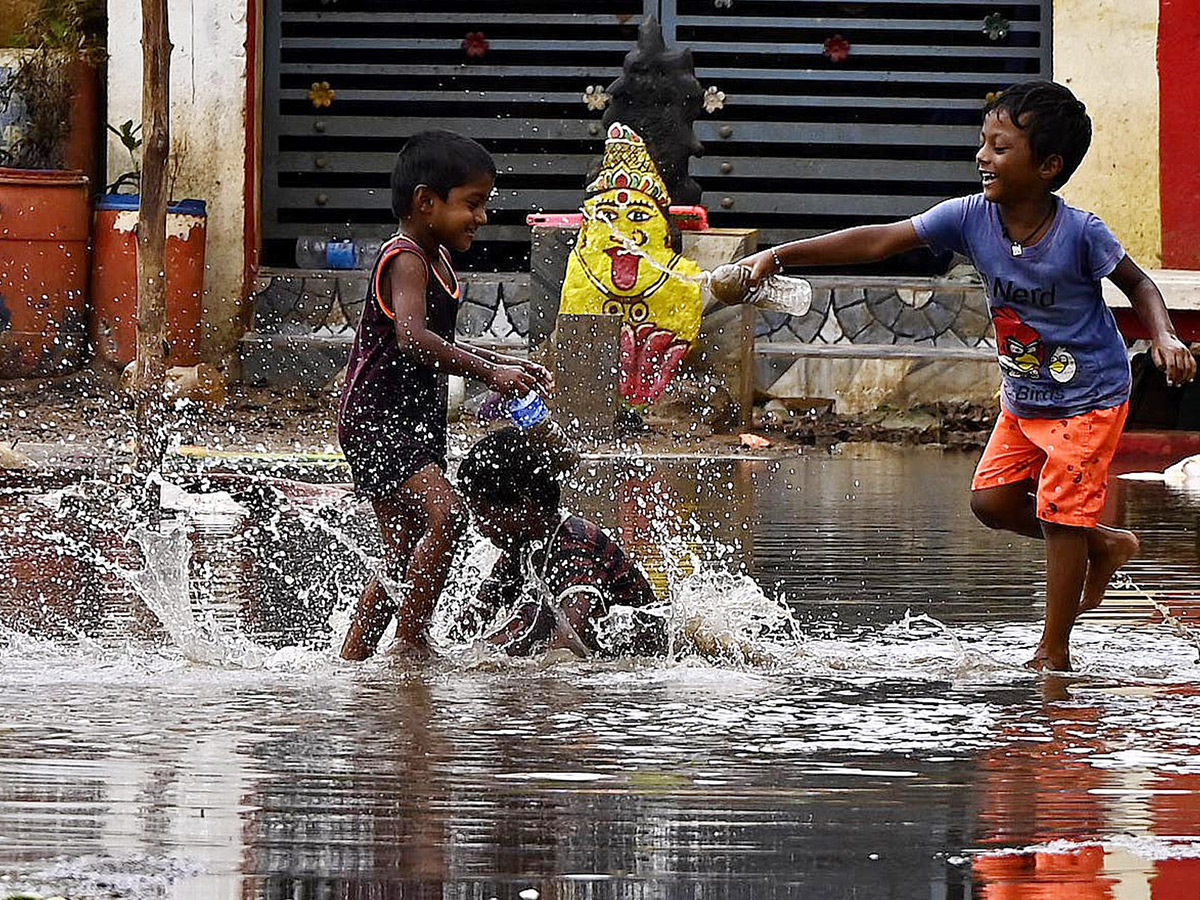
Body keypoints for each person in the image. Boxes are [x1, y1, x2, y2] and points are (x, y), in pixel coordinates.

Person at [738, 81, 1196, 672]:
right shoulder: (969, 217)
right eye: (983, 143)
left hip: (1090, 398)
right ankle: (1103, 545)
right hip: (1025, 395)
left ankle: (1053, 655)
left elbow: (1138, 284)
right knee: (992, 502)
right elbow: (880, 241)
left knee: (1061, 517)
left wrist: (1162, 335)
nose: (982, 157)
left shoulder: (1081, 232)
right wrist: (778, 255)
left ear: (1048, 166)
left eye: (1000, 148)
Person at [338, 131, 553, 661]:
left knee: (399, 552)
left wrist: (501, 364)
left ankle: (353, 661)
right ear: (425, 202)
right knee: (449, 515)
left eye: (484, 204)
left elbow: (439, 343)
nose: (481, 217)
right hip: (378, 418)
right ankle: (410, 644)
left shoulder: (438, 262)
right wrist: (490, 372)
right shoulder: (405, 257)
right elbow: (413, 338)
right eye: (472, 204)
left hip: (412, 418)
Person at [455, 427, 668, 658]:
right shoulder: (523, 546)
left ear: (523, 506)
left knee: (531, 623)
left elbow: (566, 648)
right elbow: (471, 620)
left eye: (485, 514)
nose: (478, 525)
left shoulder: (573, 547)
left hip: (638, 670)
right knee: (524, 623)